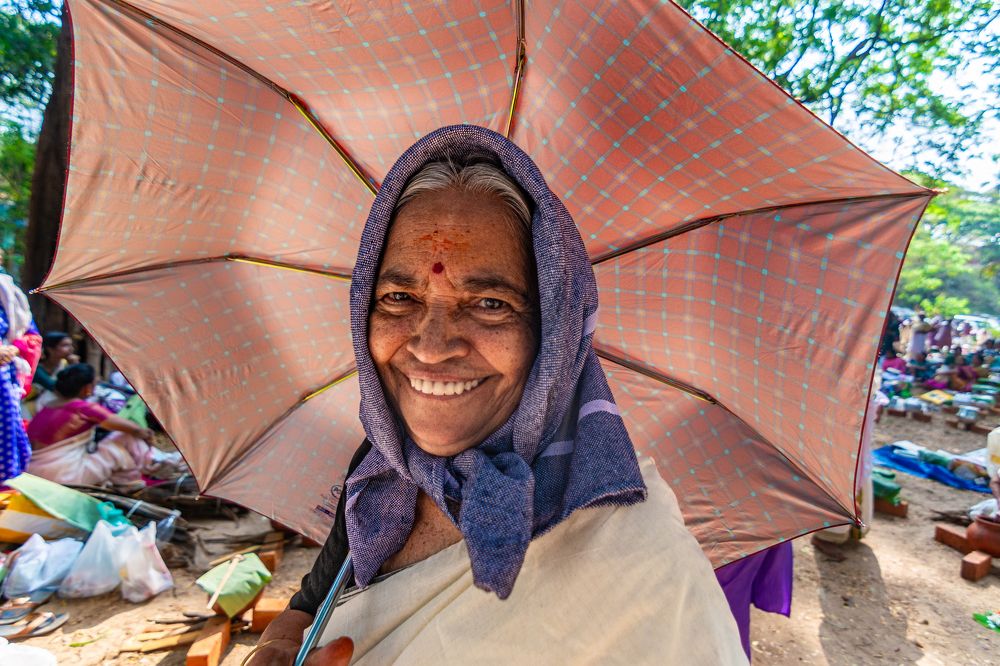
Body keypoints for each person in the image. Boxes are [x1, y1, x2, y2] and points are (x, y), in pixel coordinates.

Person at [248, 127, 745, 664]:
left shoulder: (638, 561)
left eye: (489, 303)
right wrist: (281, 641)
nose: (432, 346)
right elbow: (312, 601)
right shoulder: (383, 468)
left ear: (552, 332)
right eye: (398, 297)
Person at [25, 363, 154, 490]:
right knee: (125, 436)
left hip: (32, 472)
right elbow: (133, 429)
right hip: (64, 477)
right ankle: (131, 480)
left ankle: (127, 479)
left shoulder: (47, 406)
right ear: (87, 388)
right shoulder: (83, 408)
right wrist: (145, 434)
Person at [0, 263, 35, 481]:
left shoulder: (7, 293)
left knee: (6, 442)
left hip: (3, 381)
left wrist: (13, 349)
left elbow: (30, 336)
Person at [22, 331, 76, 417]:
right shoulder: (37, 369)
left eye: (70, 345)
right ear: (50, 349)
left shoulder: (64, 363)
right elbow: (57, 389)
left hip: (48, 406)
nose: (71, 349)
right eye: (65, 345)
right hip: (29, 408)